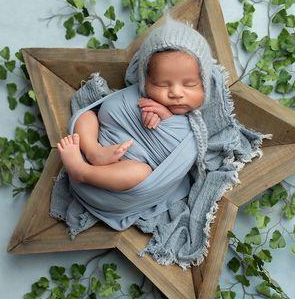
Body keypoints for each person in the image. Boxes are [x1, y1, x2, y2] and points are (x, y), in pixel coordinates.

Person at [56, 47, 205, 192]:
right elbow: (106, 112)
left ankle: (82, 172)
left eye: (190, 84)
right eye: (162, 84)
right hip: (100, 141)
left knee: (140, 173)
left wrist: (168, 119)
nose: (176, 93)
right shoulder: (139, 96)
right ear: (145, 81)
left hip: (125, 172)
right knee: (86, 116)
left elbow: (186, 154)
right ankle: (93, 152)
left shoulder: (198, 127)